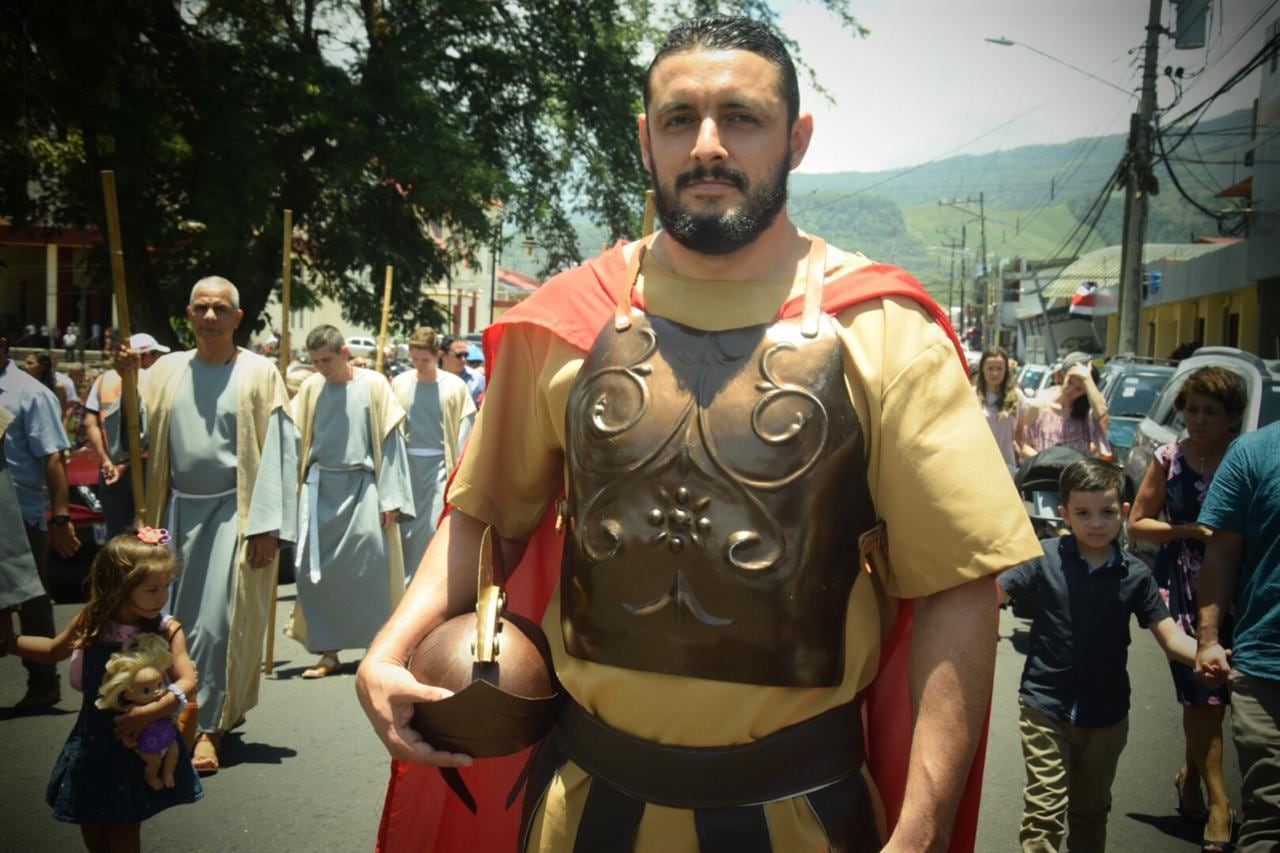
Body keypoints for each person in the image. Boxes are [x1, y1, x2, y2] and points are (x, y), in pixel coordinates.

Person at [358, 16, 1041, 852]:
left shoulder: (886, 333)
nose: (707, 144)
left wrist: (923, 829)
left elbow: (956, 586)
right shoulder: (564, 324)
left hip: (802, 821)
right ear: (646, 140)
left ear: (797, 138)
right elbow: (485, 515)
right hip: (579, 813)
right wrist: (388, 650)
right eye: (680, 119)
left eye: (742, 117)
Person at [122, 276, 297, 773]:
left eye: (221, 309)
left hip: (233, 516)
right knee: (161, 624)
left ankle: (209, 729)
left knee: (219, 627)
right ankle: (158, 721)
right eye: (201, 308)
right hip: (172, 513)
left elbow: (280, 454)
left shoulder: (259, 373)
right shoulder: (164, 371)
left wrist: (266, 526)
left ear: (238, 317)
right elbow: (130, 442)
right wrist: (126, 384)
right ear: (188, 314)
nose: (210, 317)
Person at [998, 458, 1198, 852]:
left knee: (1090, 812)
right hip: (1044, 706)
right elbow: (992, 595)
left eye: (1107, 512)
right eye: (1082, 513)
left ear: (1123, 512)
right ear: (1063, 515)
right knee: (1045, 809)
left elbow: (1171, 637)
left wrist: (1208, 655)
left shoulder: (1135, 575)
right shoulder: (1043, 557)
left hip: (1106, 715)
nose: (1095, 523)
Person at [0, 529, 203, 852]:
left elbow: (188, 680)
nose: (162, 597)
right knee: (92, 825)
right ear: (119, 587)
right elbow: (53, 649)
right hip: (93, 744)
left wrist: (152, 710)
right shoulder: (93, 620)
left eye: (166, 587)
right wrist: (10, 643)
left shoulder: (166, 628)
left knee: (124, 829)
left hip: (137, 747)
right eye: (152, 589)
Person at [1128, 366, 1245, 848]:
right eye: (1191, 409)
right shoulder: (1168, 457)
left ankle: (1190, 776)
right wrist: (1188, 531)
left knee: (1216, 693)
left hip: (1238, 586)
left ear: (1231, 418)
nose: (1197, 419)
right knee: (1203, 692)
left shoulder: (1244, 458)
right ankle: (1220, 804)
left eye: (1210, 411)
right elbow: (1137, 524)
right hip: (1180, 588)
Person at [285, 324, 412, 680]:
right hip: (319, 487)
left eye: (326, 360)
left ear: (343, 353)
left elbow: (390, 443)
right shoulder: (311, 387)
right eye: (315, 361)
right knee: (317, 575)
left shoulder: (373, 384)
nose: (321, 367)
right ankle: (328, 652)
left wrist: (391, 497)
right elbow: (292, 435)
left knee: (371, 563)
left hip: (363, 485)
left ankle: (377, 647)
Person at [1195, 421, 1280, 852]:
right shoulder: (1255, 453)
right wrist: (1208, 638)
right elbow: (1223, 551)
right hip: (1267, 666)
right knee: (1269, 817)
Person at [1, 323, 80, 710]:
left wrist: (61, 517)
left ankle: (43, 683)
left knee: (30, 600)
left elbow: (53, 457)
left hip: (20, 517)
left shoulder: (30, 394)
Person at [390, 326, 475, 580]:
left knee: (431, 528)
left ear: (437, 354)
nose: (418, 365)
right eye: (413, 359)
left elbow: (465, 428)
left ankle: (425, 583)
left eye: (424, 360)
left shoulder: (453, 386)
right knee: (404, 531)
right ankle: (403, 586)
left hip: (439, 466)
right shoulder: (400, 383)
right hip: (406, 467)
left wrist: (458, 472)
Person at [84, 333, 170, 537]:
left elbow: (91, 423)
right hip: (143, 469)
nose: (157, 359)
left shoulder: (103, 379)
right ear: (145, 355)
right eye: (155, 354)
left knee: (118, 536)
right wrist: (125, 463)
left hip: (110, 469)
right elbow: (153, 429)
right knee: (150, 535)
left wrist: (107, 461)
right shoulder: (153, 380)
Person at [1020, 354, 1110, 461]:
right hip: (1043, 471)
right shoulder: (1040, 403)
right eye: (1070, 382)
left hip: (1074, 472)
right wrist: (1046, 461)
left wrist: (1087, 379)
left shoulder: (1087, 411)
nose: (1070, 390)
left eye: (1078, 389)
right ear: (1063, 376)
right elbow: (1024, 446)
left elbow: (1101, 414)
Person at [975, 346, 1026, 474]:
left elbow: (1021, 434)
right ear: (982, 369)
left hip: (1007, 467)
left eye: (999, 369)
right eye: (990, 368)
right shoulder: (971, 396)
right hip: (977, 466)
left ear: (1006, 370)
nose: (995, 373)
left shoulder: (1017, 396)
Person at [440, 334, 485, 406]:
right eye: (459, 355)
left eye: (466, 355)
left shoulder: (477, 379)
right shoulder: (431, 378)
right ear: (442, 355)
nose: (464, 359)